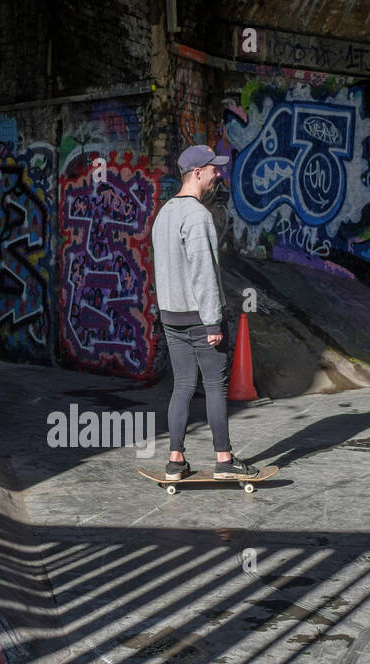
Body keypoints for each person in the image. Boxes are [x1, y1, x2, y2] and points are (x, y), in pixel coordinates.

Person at [150, 144, 258, 481]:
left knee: (182, 385)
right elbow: (204, 272)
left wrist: (168, 309)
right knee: (215, 387)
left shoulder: (164, 213)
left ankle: (175, 460)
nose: (218, 175)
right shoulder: (198, 217)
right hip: (200, 317)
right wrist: (213, 321)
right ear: (197, 173)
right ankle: (224, 460)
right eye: (214, 169)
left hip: (171, 315)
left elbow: (163, 267)